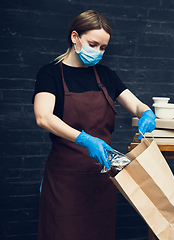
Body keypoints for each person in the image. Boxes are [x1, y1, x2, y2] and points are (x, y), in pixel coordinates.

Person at [33, 10, 156, 240]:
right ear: (74, 37)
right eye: (93, 44)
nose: (98, 52)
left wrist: (147, 113)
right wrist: (84, 138)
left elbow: (137, 106)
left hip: (102, 181)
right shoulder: (50, 74)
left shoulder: (106, 76)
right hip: (66, 182)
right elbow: (43, 117)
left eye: (103, 48)